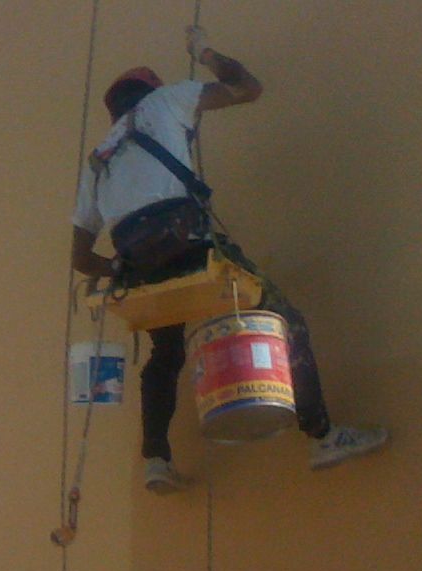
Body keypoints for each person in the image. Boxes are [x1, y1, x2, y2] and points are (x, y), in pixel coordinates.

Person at [70, 25, 387, 493]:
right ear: (149, 94)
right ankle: (322, 435)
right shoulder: (167, 102)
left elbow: (81, 256)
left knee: (165, 353)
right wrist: (204, 52)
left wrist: (116, 269)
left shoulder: (99, 159)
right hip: (190, 247)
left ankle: (156, 457)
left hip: (141, 269)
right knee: (286, 320)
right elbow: (248, 88)